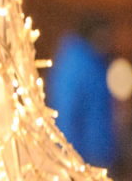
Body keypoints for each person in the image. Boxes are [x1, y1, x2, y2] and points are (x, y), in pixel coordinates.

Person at [45, 14, 119, 170]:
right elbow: (66, 113)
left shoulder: (95, 64)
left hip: (96, 157)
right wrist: (71, 159)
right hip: (84, 160)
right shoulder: (76, 66)